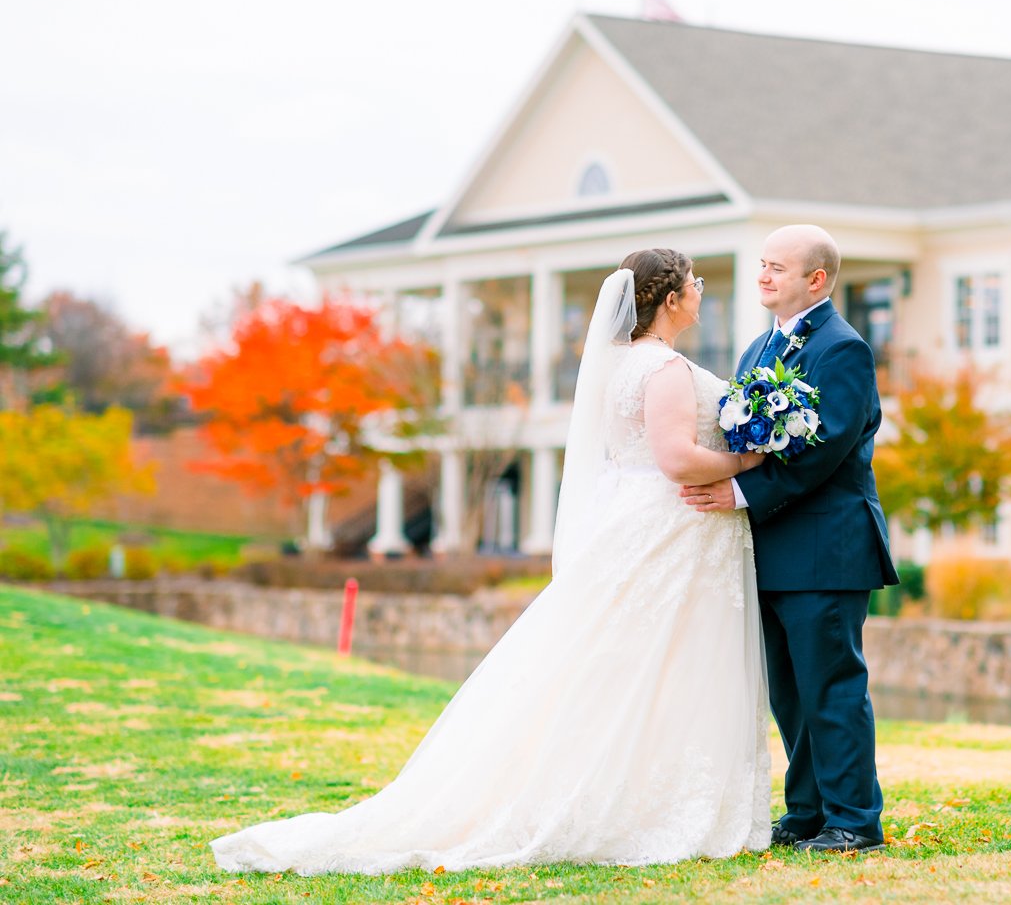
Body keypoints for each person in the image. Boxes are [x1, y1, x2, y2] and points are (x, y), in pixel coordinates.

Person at [211, 249, 771, 874]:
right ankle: (651, 803)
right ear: (669, 300)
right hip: (672, 523)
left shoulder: (617, 365)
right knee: (663, 664)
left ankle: (645, 793)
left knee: (637, 666)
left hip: (646, 523)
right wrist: (750, 463)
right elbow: (676, 460)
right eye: (693, 282)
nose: (700, 289)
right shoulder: (663, 368)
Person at [681, 224, 898, 853]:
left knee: (832, 687)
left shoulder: (843, 349)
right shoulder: (755, 351)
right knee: (790, 693)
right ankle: (807, 813)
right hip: (772, 550)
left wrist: (743, 494)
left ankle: (855, 821)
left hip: (828, 550)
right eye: (762, 265)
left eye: (778, 267)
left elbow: (826, 443)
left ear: (817, 279)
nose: (764, 276)